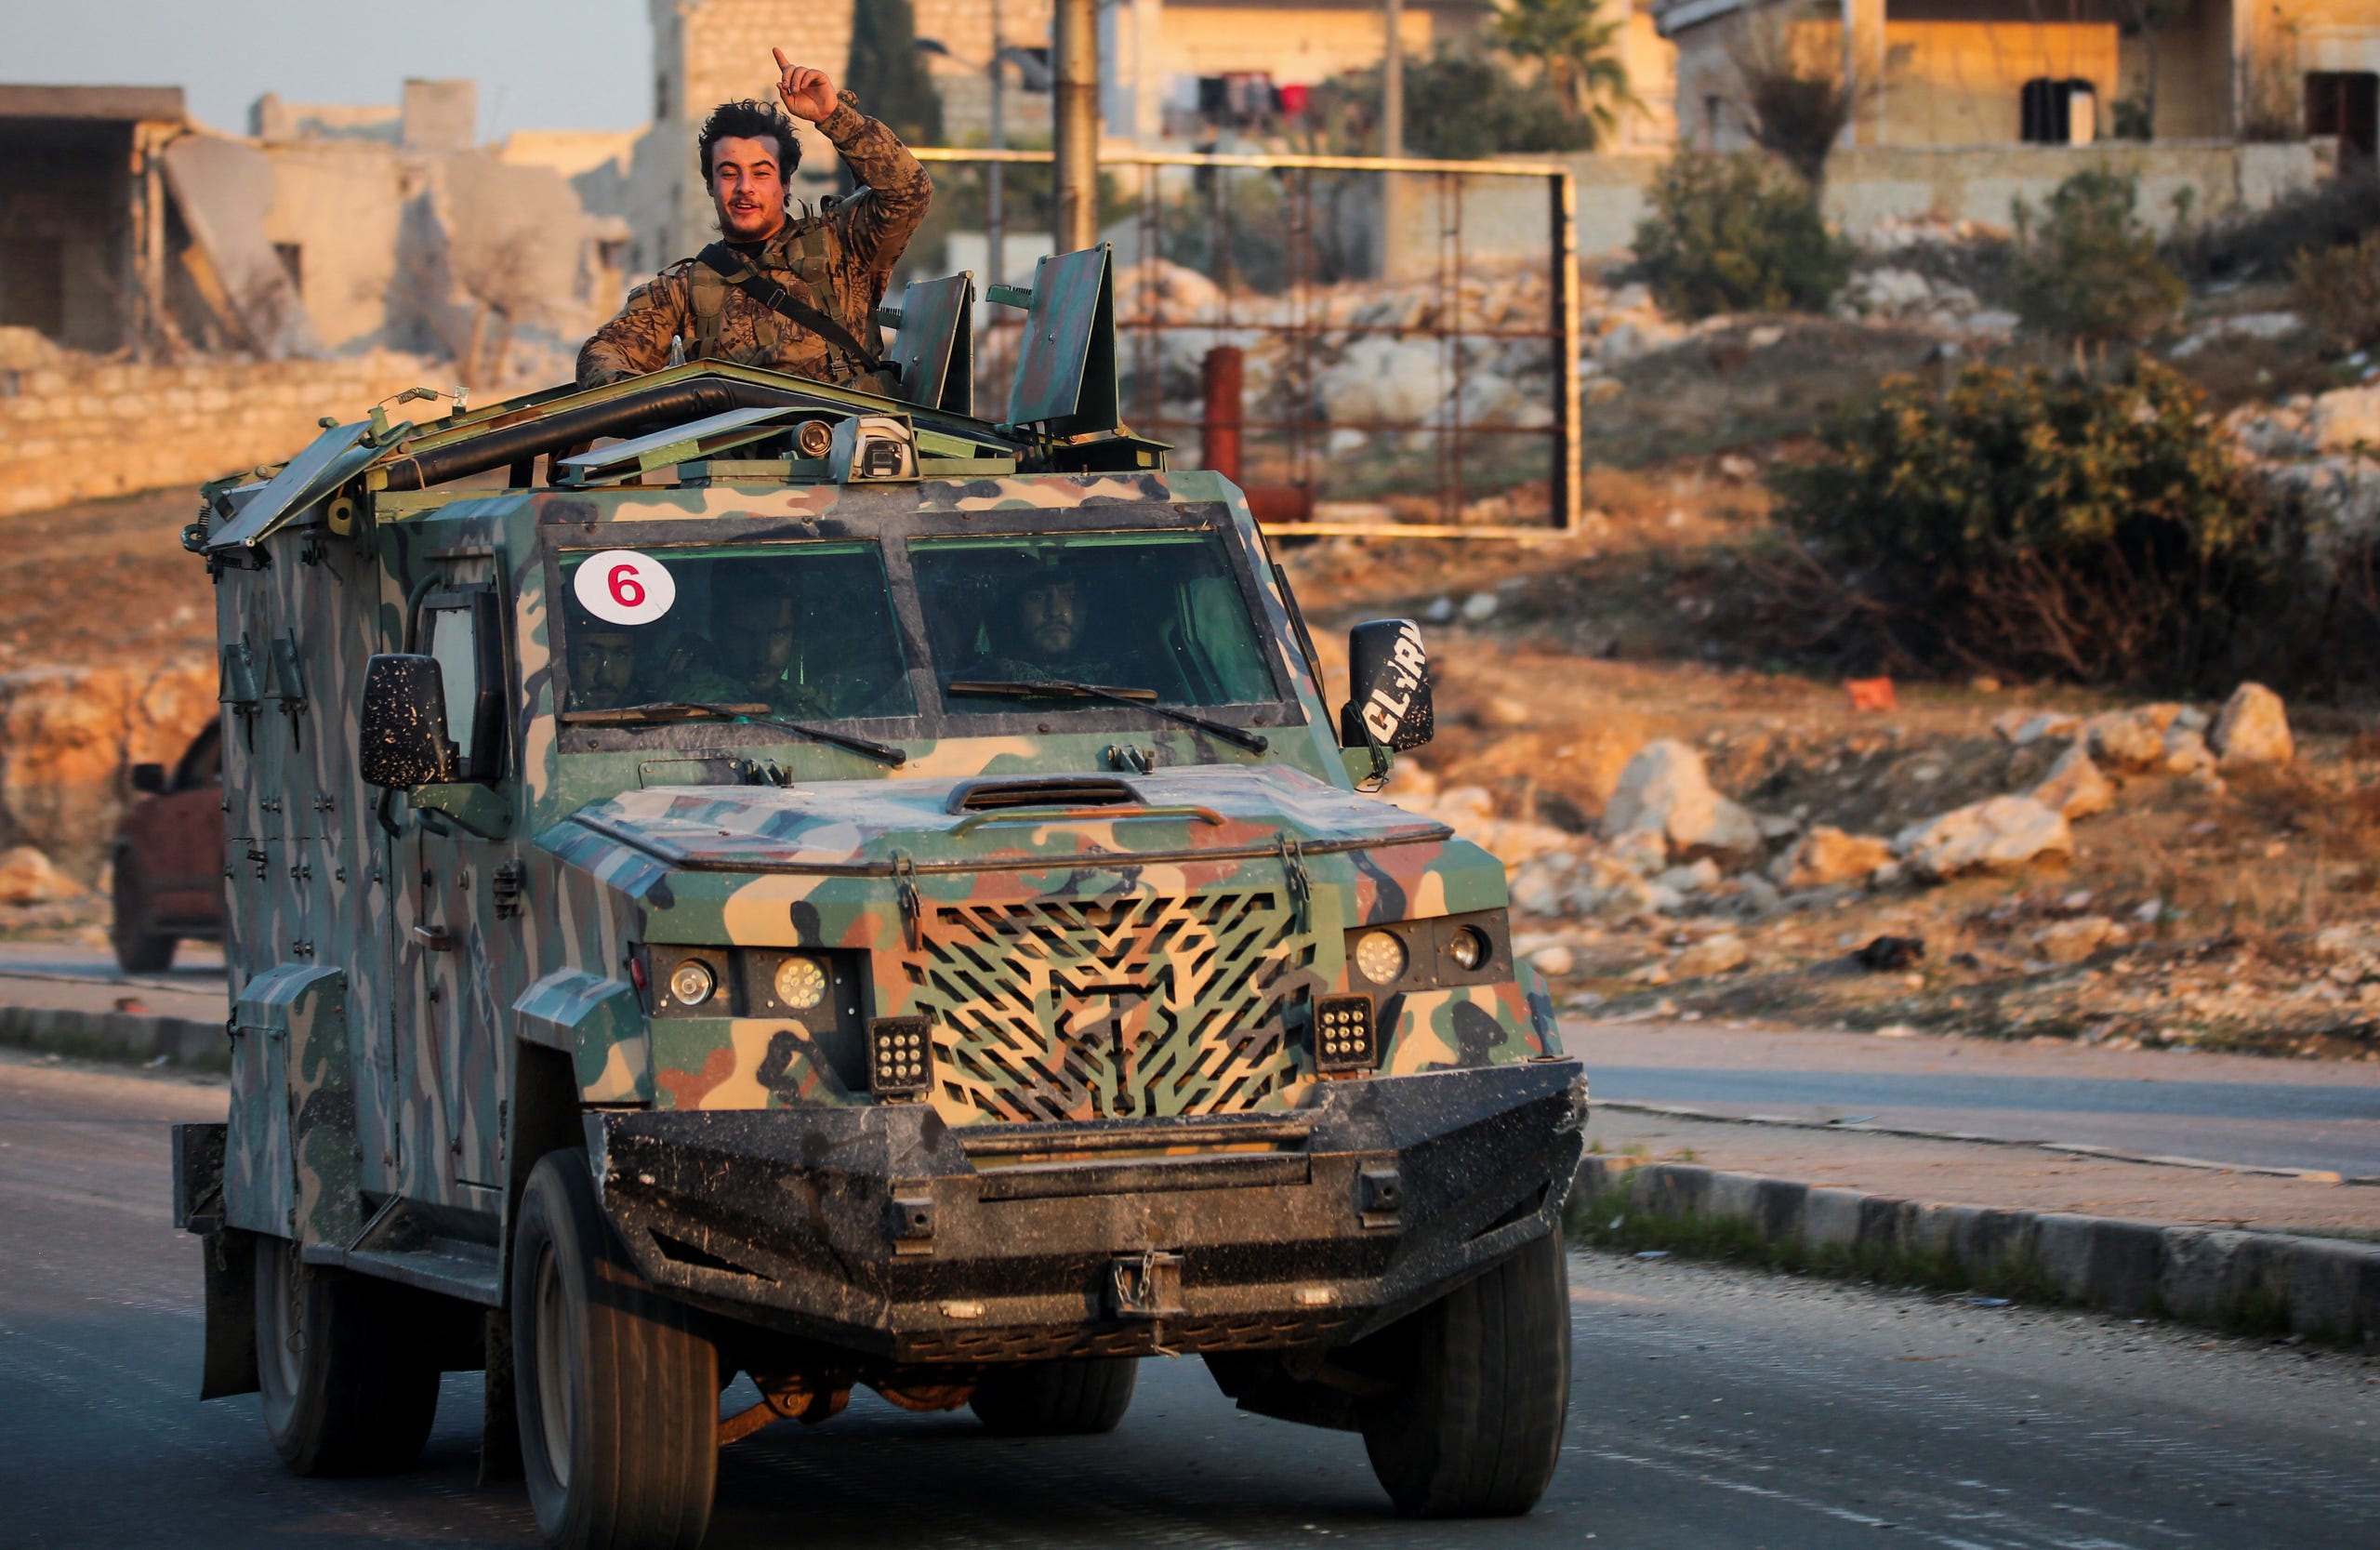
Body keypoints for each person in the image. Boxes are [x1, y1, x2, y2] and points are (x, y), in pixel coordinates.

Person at [575, 51, 931, 390]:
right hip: (737, 449)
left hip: (843, 443)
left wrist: (836, 117)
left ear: (785, 182)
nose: (745, 188)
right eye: (729, 174)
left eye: (761, 174)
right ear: (711, 185)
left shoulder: (844, 245)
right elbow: (604, 352)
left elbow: (909, 191)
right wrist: (664, 404)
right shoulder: (684, 288)